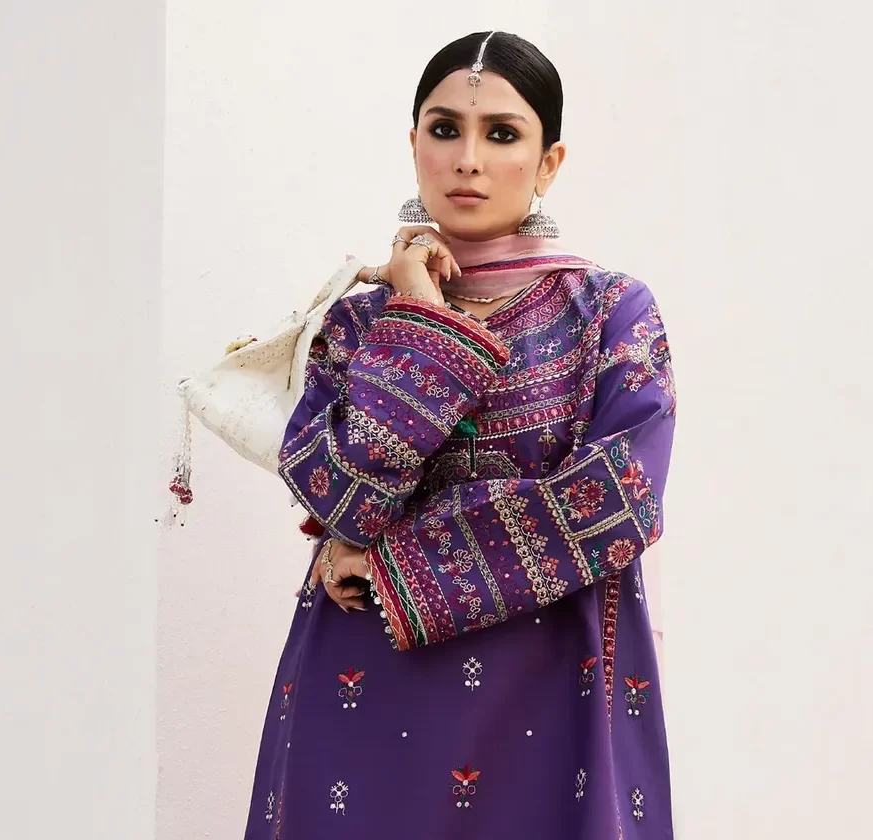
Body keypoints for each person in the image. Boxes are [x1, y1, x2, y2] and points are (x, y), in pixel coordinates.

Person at [243, 30, 677, 839]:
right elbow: (342, 496)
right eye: (445, 130)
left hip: (553, 688)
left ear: (549, 163)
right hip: (367, 682)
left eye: (502, 134)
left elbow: (619, 499)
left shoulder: (611, 312)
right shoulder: (359, 324)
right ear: (414, 145)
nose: (468, 159)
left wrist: (397, 563)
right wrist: (420, 314)